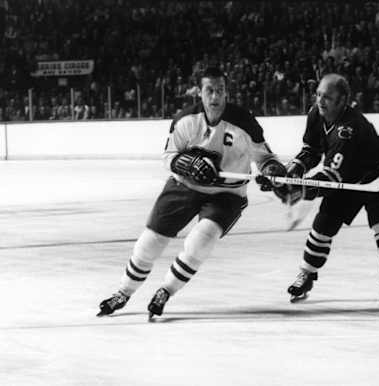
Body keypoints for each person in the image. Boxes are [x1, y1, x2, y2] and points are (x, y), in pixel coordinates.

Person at [97, 67, 287, 319]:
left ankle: (166, 290)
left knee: (202, 240)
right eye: (209, 90)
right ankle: (124, 291)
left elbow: (265, 158)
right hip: (184, 187)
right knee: (149, 243)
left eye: (220, 90)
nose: (215, 96)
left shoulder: (244, 122)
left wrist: (272, 172)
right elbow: (168, 157)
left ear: (227, 92)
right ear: (200, 92)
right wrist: (186, 164)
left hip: (226, 193)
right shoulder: (185, 120)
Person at [276, 73, 379, 309]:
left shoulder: (350, 128)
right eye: (318, 95)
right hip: (348, 176)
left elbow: (329, 178)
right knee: (324, 223)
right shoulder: (316, 114)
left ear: (342, 100)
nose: (320, 101)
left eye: (327, 97)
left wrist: (300, 189)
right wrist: (292, 172)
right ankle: (307, 274)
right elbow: (311, 150)